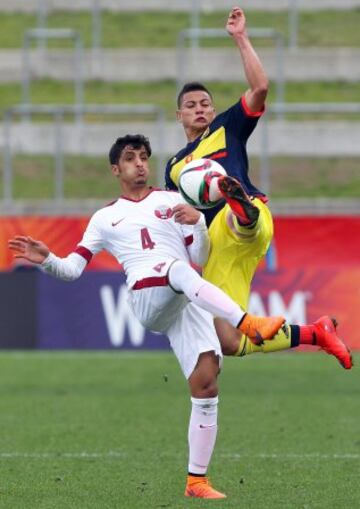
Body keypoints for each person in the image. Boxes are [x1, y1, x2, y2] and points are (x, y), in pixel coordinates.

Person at [9, 134, 285, 500]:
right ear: (115, 169)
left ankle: (196, 482)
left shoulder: (174, 200)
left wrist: (197, 222)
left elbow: (200, 254)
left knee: (206, 384)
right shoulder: (105, 218)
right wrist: (47, 259)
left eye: (143, 156)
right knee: (178, 270)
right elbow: (73, 270)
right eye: (130, 158)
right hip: (147, 295)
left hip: (182, 298)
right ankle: (248, 323)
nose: (139, 163)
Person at [165, 7, 353, 369]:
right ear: (179, 116)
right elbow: (168, 214)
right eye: (190, 105)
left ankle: (241, 211)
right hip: (217, 246)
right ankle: (317, 333)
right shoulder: (174, 167)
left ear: (213, 109)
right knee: (230, 340)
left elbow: (261, 87)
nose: (199, 109)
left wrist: (240, 38)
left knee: (236, 219)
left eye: (205, 103)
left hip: (247, 218)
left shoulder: (227, 127)